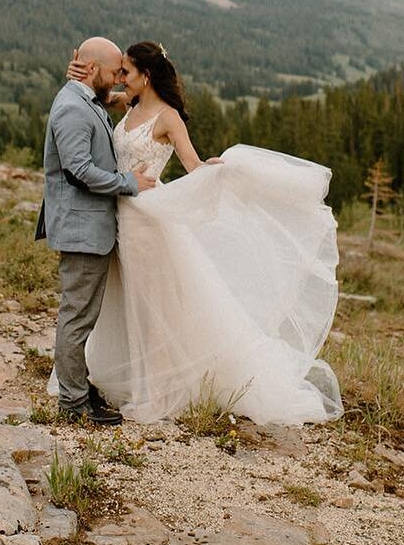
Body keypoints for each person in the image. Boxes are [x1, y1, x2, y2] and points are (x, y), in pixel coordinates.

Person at [58, 41, 343, 425]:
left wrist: (217, 171)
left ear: (146, 75)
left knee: (151, 307)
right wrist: (78, 73)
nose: (121, 78)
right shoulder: (129, 103)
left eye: (126, 71)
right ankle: (99, 378)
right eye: (119, 71)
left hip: (147, 220)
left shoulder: (168, 117)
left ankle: (153, 390)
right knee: (120, 302)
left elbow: (191, 164)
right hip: (118, 214)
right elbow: (93, 96)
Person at [36, 36, 155, 424]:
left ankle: (79, 390)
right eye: (114, 71)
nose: (119, 79)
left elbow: (108, 99)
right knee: (76, 317)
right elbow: (79, 171)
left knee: (83, 315)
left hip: (90, 227)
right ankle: (73, 405)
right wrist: (128, 182)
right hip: (81, 229)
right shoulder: (72, 108)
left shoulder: (85, 99)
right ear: (92, 70)